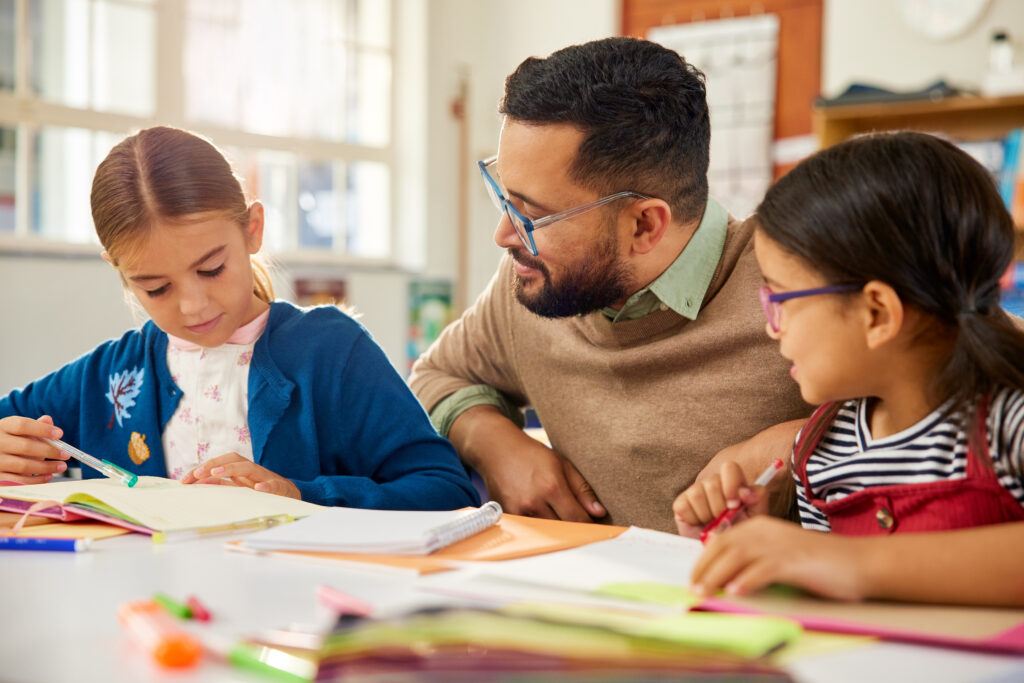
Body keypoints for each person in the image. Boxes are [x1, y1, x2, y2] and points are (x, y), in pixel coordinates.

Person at [409, 37, 809, 533]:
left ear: (644, 225)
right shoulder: (532, 280)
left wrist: (796, 447)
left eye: (532, 215)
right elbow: (435, 375)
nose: (503, 236)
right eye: (505, 199)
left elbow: (922, 418)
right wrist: (495, 445)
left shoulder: (795, 284)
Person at [0, 126, 479, 511]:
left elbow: (446, 491)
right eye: (156, 287)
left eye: (211, 269)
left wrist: (301, 495)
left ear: (252, 229)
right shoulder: (111, 375)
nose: (193, 306)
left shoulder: (331, 353)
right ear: (120, 273)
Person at [676, 131, 1024, 607]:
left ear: (877, 313)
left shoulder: (1008, 422)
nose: (771, 329)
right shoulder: (822, 450)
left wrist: (842, 561)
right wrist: (758, 548)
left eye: (780, 300)